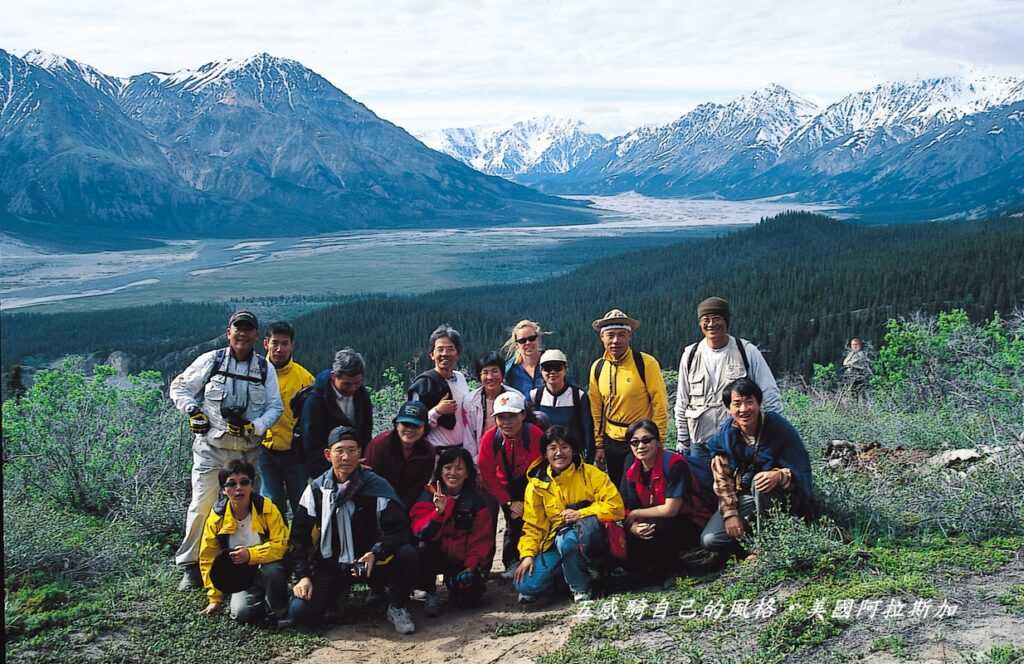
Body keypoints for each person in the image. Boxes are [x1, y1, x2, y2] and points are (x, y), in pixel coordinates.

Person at [169, 309, 283, 590]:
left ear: (257, 335)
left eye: (248, 329)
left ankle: (246, 563)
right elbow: (179, 387)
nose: (242, 333)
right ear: (228, 332)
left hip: (247, 453)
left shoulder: (264, 369)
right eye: (237, 328)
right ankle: (191, 565)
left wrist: (254, 427)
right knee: (202, 506)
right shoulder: (212, 361)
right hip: (212, 449)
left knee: (247, 511)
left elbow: (275, 407)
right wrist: (193, 411)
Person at [287, 426, 419, 634]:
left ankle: (397, 605)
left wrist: (376, 553)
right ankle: (336, 598)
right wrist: (303, 576)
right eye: (339, 451)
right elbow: (298, 538)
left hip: (371, 564)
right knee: (300, 612)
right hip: (333, 566)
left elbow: (400, 531)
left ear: (360, 453)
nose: (346, 457)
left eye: (352, 450)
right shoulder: (316, 490)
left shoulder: (377, 487)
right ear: (328, 455)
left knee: (408, 554)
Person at [700, 378, 816, 556]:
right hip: (744, 495)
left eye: (749, 402)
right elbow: (721, 478)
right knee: (711, 539)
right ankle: (749, 547)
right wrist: (730, 513)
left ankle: (767, 547)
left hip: (782, 497)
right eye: (737, 404)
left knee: (760, 482)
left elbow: (800, 469)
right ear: (729, 408)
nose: (744, 409)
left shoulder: (778, 428)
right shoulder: (726, 435)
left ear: (759, 403)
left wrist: (779, 475)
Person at [514, 426, 625, 604]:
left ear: (573, 450)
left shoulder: (591, 474)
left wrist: (581, 513)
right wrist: (527, 555)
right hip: (553, 542)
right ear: (544, 453)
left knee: (568, 540)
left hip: (589, 538)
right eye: (552, 448)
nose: (559, 453)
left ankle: (580, 588)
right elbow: (533, 525)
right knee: (526, 585)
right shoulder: (536, 485)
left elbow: (616, 507)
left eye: (565, 447)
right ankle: (566, 576)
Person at [674, 296, 782, 454]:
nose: (711, 324)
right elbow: (682, 400)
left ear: (726, 321)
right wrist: (683, 439)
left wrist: (773, 434)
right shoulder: (690, 354)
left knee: (741, 480)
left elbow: (770, 393)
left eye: (716, 318)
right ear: (700, 323)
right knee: (699, 479)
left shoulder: (746, 351)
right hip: (700, 444)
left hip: (739, 443)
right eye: (706, 319)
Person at [619, 420, 714, 586]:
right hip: (654, 518)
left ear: (658, 442)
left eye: (646, 440)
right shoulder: (632, 468)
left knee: (657, 526)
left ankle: (672, 571)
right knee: (630, 532)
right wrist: (632, 526)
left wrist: (635, 515)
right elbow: (627, 507)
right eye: (635, 442)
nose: (640, 446)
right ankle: (646, 573)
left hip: (689, 519)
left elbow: (671, 509)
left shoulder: (674, 464)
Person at [197, 460, 289, 624]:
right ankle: (259, 601)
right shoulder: (216, 517)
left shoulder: (267, 508)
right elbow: (208, 557)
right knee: (241, 613)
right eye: (231, 484)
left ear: (252, 486)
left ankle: (279, 611)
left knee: (273, 570)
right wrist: (214, 598)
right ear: (224, 490)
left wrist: (250, 555)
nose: (238, 488)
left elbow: (281, 545)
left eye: (244, 482)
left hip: (266, 567)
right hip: (239, 575)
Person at [588, 309, 669, 486]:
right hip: (611, 441)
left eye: (621, 335)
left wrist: (658, 442)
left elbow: (660, 404)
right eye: (610, 335)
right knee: (616, 485)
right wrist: (599, 444)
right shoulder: (598, 367)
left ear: (629, 337)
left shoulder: (645, 363)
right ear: (602, 337)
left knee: (638, 487)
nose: (616, 340)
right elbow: (596, 409)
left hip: (641, 441)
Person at [410, 447, 494, 617]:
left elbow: (481, 539)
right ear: (440, 471)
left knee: (469, 601)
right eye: (448, 468)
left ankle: (456, 583)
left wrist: (471, 566)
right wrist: (438, 513)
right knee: (422, 547)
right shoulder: (428, 494)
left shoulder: (476, 500)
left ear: (468, 473)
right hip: (434, 554)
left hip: (460, 558)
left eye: (459, 468)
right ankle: (429, 590)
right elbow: (420, 532)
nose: (453, 473)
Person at [477, 391, 544, 579]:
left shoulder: (534, 434)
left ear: (523, 415)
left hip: (532, 483)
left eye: (512, 416)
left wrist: (529, 500)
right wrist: (508, 502)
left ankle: (535, 557)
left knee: (533, 519)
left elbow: (541, 467)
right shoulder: (490, 439)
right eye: (501, 417)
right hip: (504, 485)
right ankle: (512, 561)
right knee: (512, 521)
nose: (506, 422)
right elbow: (487, 474)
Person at [258, 321, 315, 518]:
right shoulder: (254, 372)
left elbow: (313, 419)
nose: (279, 349)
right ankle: (275, 546)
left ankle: (300, 545)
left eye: (284, 343)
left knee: (301, 503)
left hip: (295, 453)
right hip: (264, 451)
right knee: (272, 504)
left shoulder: (305, 378)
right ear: (266, 343)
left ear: (292, 345)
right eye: (275, 343)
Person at [298, 348, 373, 479]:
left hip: (357, 467)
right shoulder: (315, 401)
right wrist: (336, 471)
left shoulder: (362, 394)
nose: (352, 388)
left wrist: (360, 462)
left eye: (357, 383)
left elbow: (366, 432)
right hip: (326, 470)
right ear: (334, 377)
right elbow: (312, 445)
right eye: (347, 384)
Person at [408, 325, 470, 453]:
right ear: (432, 354)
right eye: (440, 349)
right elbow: (411, 424)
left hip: (461, 451)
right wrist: (437, 411)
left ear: (457, 353)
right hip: (434, 453)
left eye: (450, 349)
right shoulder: (423, 384)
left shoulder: (460, 378)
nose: (444, 354)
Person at [365, 401, 436, 511]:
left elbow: (419, 486)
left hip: (408, 504)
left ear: (424, 428)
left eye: (416, 426)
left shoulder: (428, 452)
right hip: (377, 501)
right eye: (406, 424)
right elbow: (370, 478)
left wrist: (402, 510)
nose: (410, 430)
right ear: (397, 425)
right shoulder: (379, 445)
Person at [528, 349, 595, 461]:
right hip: (544, 457)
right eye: (547, 368)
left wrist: (589, 459)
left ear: (565, 370)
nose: (552, 372)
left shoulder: (578, 396)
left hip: (574, 457)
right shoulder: (535, 396)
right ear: (541, 370)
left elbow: (588, 429)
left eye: (557, 367)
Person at [461, 351, 525, 461]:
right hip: (481, 456)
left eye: (495, 371)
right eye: (485, 372)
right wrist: (474, 463)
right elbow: (469, 437)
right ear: (479, 376)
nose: (490, 377)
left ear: (502, 373)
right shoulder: (470, 401)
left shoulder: (517, 397)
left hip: (512, 456)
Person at [502, 320, 545, 397]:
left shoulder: (551, 362)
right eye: (522, 341)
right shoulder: (509, 369)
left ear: (538, 338)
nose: (528, 343)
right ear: (516, 345)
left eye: (531, 338)